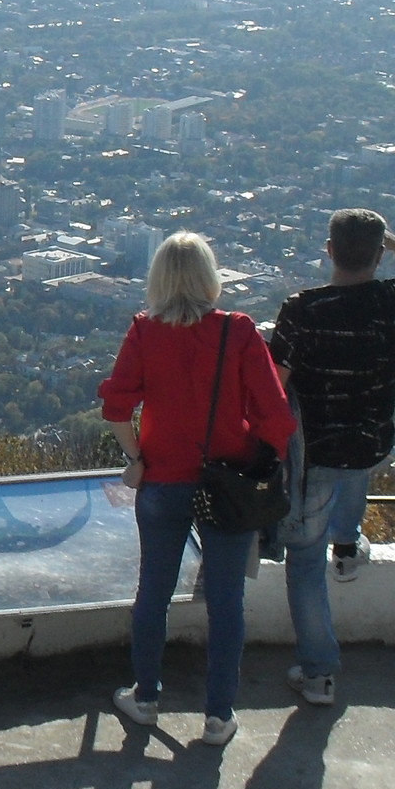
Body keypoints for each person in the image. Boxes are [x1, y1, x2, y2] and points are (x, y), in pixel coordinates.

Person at [98, 232, 296, 746]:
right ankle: (218, 715)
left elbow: (116, 408)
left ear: (158, 279)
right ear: (211, 277)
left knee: (154, 592)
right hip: (226, 484)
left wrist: (136, 457)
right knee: (226, 600)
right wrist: (258, 461)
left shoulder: (145, 332)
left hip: (162, 479)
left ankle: (144, 698)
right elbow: (277, 417)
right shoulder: (238, 332)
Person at [269, 209, 395, 707]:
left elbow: (275, 384)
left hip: (316, 450)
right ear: (379, 254)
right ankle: (347, 546)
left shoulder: (304, 309)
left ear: (330, 251)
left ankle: (320, 672)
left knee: (304, 562)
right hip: (370, 442)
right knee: (354, 478)